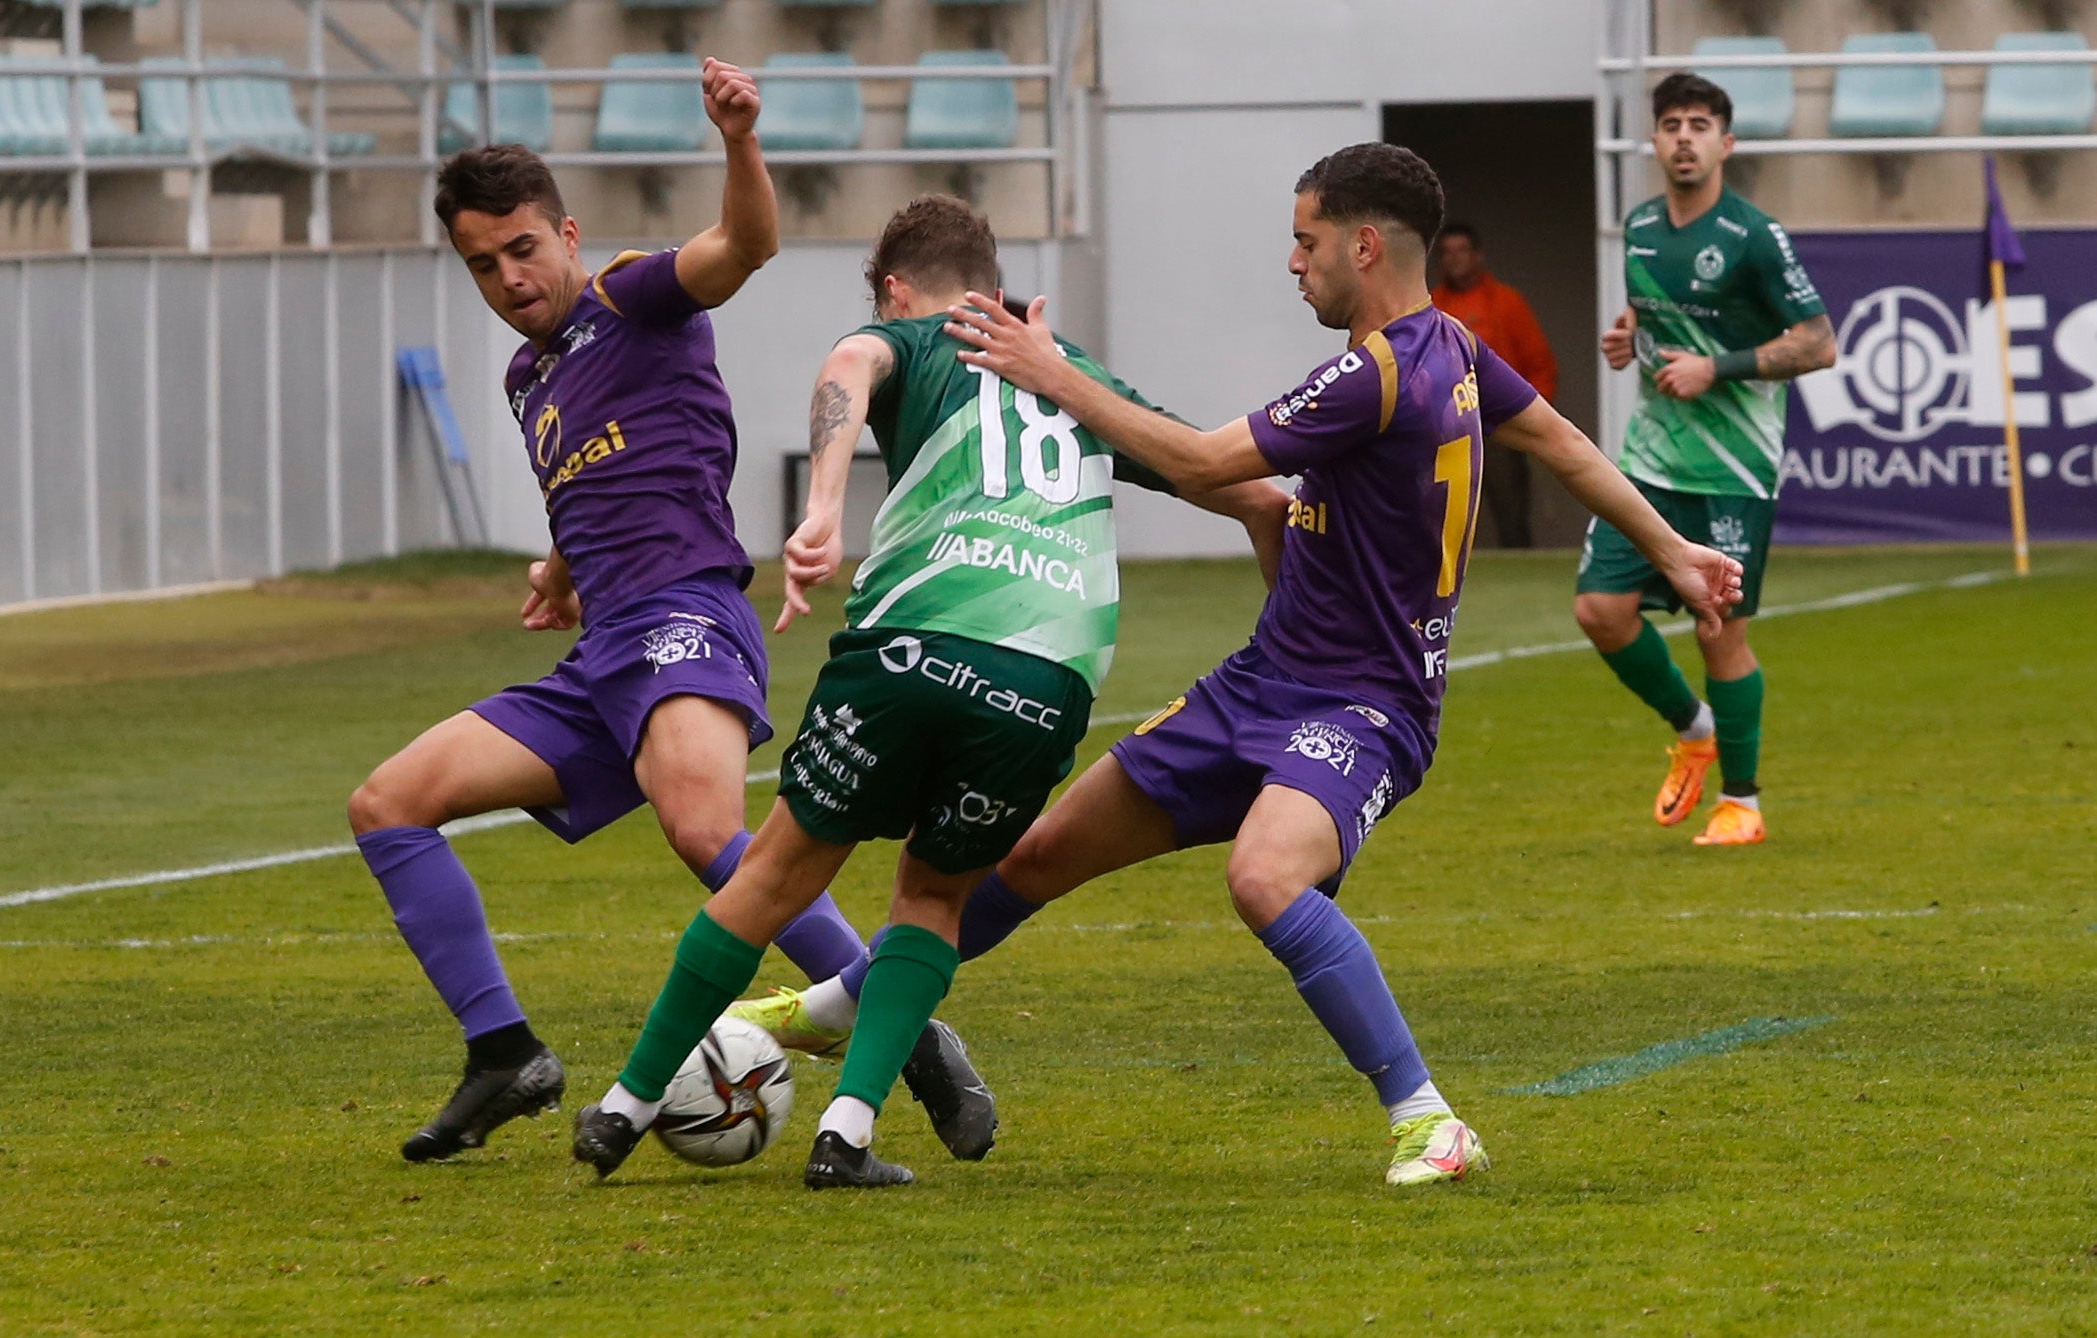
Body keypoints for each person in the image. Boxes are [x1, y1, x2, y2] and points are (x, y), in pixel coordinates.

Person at [744, 142, 1742, 1188]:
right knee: (1033, 858)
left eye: (1305, 242)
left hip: (1365, 708)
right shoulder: (1448, 344)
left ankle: (1429, 1121)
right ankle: (837, 1007)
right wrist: (1670, 546)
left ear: (1363, 245)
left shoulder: (1375, 372)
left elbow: (1198, 462)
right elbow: (1563, 443)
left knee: (1263, 876)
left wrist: (1056, 377)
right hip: (1260, 684)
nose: (1292, 263)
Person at [568, 193, 1295, 1188]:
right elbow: (1252, 492)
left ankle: (623, 1107)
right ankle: (847, 1136)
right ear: (997, 293)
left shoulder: (906, 335)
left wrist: (824, 504)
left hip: (908, 650)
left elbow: (844, 368)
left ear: (899, 290)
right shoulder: (1075, 374)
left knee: (774, 872)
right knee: (932, 893)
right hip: (1042, 680)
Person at [346, 62, 888, 1164]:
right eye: (481, 263)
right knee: (388, 803)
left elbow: (742, 250)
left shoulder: (632, 296)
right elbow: (595, 482)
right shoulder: (523, 378)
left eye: (522, 249)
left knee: (702, 828)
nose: (506, 277)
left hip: (685, 617)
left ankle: (899, 1025)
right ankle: (505, 1054)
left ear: (566, 232)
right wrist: (557, 565)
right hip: (603, 657)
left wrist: (738, 142)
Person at [1588, 72, 1835, 847]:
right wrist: (1635, 341)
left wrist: (1714, 367)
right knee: (1599, 610)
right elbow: (1652, 313)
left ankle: (1743, 804)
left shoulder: (1754, 236)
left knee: (1717, 629)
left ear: (1726, 144)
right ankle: (1693, 728)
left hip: (1733, 468)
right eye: (1671, 124)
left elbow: (1819, 343)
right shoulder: (1639, 227)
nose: (1685, 137)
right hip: (1650, 460)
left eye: (1700, 125)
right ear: (1654, 142)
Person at [1430, 221, 1558, 547]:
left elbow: (1540, 364)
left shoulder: (1507, 303)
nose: (1454, 259)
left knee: (1511, 513)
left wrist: (1535, 421)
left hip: (1501, 424)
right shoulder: (1430, 308)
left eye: (1461, 251)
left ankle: (1521, 580)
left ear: (1477, 255)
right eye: (1447, 253)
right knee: (1437, 515)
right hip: (1445, 428)